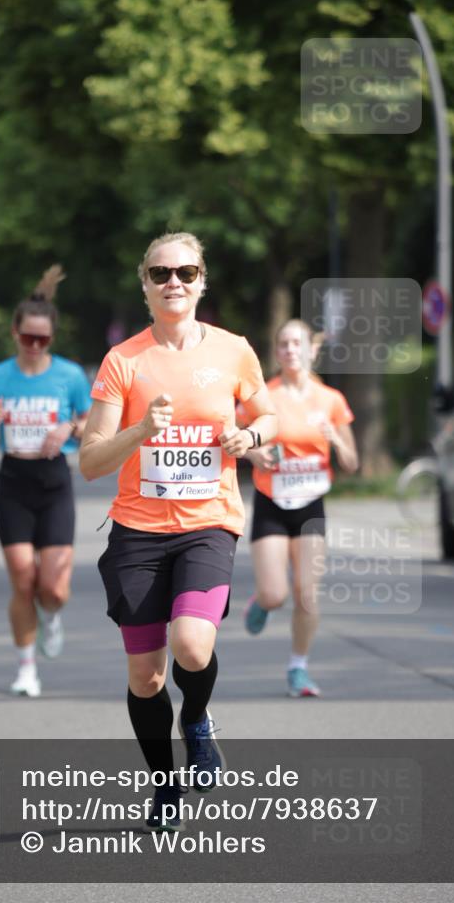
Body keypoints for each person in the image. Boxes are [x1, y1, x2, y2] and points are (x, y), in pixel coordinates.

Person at [79, 233, 277, 830]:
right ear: (144, 284)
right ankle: (163, 784)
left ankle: (197, 718)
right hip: (138, 531)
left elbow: (267, 412)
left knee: (194, 646)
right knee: (147, 676)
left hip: (208, 524)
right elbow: (90, 461)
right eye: (161, 273)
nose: (174, 282)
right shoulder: (124, 361)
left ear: (201, 281)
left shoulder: (235, 350)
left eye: (186, 272)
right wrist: (141, 430)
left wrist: (252, 436)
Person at [0, 266, 92, 697]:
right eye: (27, 338)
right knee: (22, 578)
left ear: (51, 339)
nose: (35, 346)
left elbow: (88, 419)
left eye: (43, 340)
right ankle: (26, 668)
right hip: (14, 482)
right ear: (14, 333)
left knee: (53, 587)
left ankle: (51, 616)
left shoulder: (71, 375)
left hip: (55, 481)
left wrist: (69, 431)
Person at [243, 319, 358, 697]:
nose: (291, 349)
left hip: (311, 502)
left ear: (313, 350)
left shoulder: (331, 400)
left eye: (298, 343)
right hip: (272, 501)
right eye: (284, 344)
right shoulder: (264, 396)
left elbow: (353, 462)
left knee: (307, 594)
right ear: (276, 353)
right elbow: (237, 440)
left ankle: (298, 668)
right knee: (277, 594)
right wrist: (254, 453)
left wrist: (336, 442)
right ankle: (261, 603)